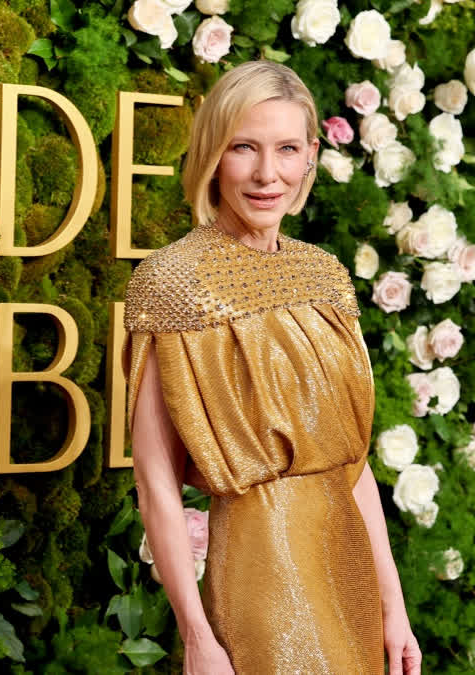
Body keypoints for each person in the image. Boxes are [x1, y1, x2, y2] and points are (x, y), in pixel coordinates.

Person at [123, 60, 422, 674]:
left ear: (311, 155)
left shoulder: (326, 276)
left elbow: (352, 466)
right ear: (212, 155)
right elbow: (156, 483)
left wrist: (394, 607)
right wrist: (198, 638)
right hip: (262, 579)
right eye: (243, 148)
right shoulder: (171, 281)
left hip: (350, 567)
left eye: (286, 149)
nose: (267, 174)